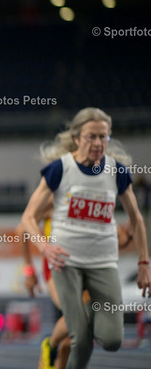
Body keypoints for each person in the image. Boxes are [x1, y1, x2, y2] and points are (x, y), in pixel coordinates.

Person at [21, 107, 151, 369]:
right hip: (59, 261)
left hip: (98, 263)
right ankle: (52, 346)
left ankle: (57, 348)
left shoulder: (113, 177)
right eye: (92, 137)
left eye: (104, 137)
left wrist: (139, 256)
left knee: (92, 335)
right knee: (77, 331)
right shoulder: (59, 180)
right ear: (77, 138)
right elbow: (24, 225)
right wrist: (30, 269)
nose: (98, 143)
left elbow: (126, 228)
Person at [18, 199, 133, 369]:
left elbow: (120, 240)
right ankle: (50, 345)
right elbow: (22, 229)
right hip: (57, 269)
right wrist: (29, 271)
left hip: (85, 269)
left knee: (72, 340)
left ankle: (54, 352)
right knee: (80, 315)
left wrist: (131, 230)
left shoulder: (96, 201)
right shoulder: (53, 200)